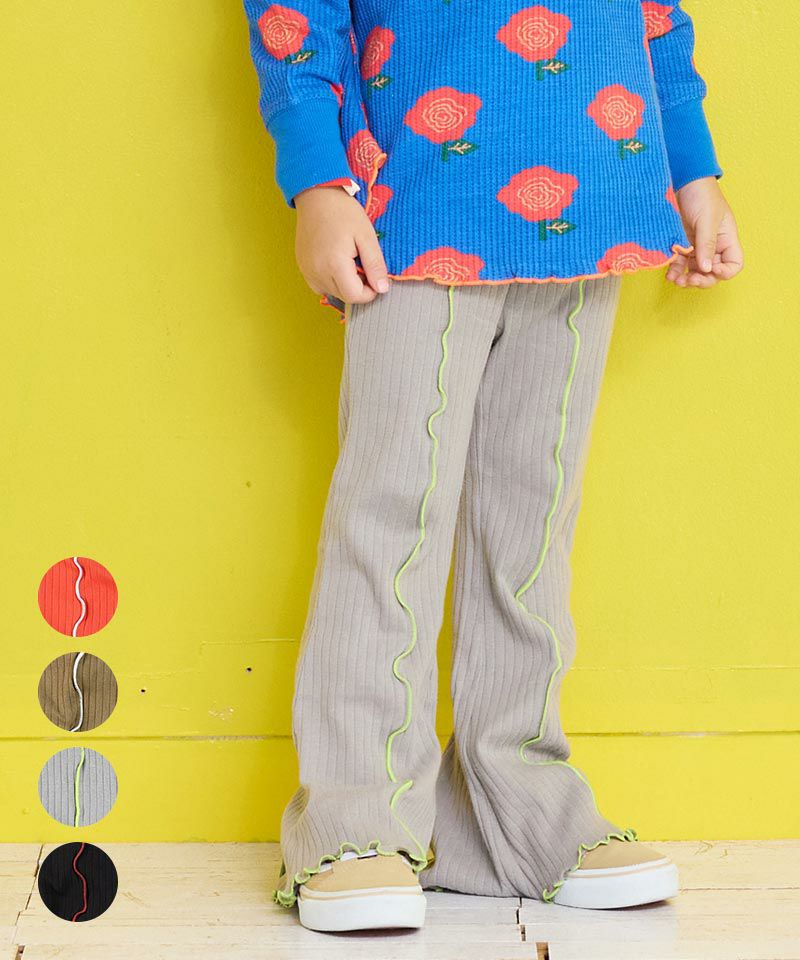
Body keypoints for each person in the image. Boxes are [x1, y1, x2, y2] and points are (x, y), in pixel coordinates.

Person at [242, 0, 744, 933]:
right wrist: (317, 183)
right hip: (416, 202)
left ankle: (513, 814)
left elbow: (657, 17)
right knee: (392, 514)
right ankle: (353, 821)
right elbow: (293, 18)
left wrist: (693, 167)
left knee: (531, 521)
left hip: (593, 198)